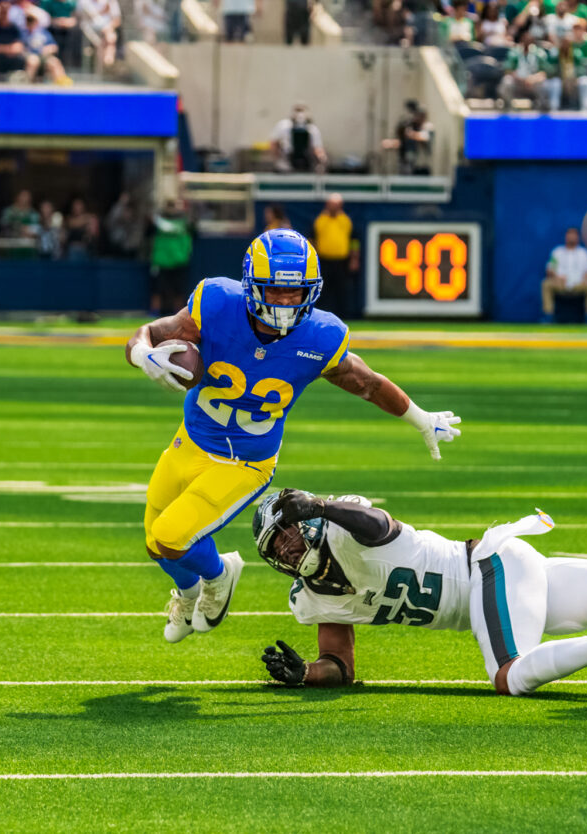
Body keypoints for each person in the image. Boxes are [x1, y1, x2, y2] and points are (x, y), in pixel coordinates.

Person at [125, 229, 462, 644]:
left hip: (245, 461)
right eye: (275, 291)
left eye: (296, 292)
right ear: (251, 286)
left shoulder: (321, 336)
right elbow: (150, 332)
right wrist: (143, 355)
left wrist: (421, 418)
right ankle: (191, 591)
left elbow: (368, 383)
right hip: (191, 440)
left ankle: (219, 576)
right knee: (153, 542)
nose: (286, 302)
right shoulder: (214, 302)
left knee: (170, 536)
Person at [254, 490, 587, 692]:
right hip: (506, 577)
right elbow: (341, 666)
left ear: (306, 521)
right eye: (277, 546)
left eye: (288, 533)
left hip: (487, 569)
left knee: (510, 676)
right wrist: (308, 672)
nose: (288, 547)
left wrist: (323, 507)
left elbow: (379, 524)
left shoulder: (346, 528)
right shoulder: (310, 598)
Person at [311, 193, 358, 320]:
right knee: (322, 291)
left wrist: (354, 259)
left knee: (342, 291)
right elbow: (312, 240)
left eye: (336, 205)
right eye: (331, 204)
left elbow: (354, 241)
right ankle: (318, 315)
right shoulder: (320, 220)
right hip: (324, 261)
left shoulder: (345, 221)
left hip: (341, 262)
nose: (333, 207)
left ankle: (344, 317)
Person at [541, 226, 587, 323]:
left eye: (574, 235)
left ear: (578, 238)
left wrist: (586, 279)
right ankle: (548, 316)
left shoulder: (583, 253)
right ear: (566, 237)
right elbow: (549, 269)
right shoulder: (557, 252)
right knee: (546, 284)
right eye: (569, 235)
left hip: (578, 284)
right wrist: (557, 277)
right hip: (560, 284)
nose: (572, 237)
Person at [147, 198, 193, 315]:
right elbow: (147, 234)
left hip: (179, 260)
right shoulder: (157, 222)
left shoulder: (185, 222)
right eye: (170, 206)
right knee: (157, 289)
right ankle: (154, 313)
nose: (172, 210)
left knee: (179, 290)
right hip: (161, 261)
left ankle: (179, 314)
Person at [500, 28, 551, 110]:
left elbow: (545, 72)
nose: (527, 41)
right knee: (507, 81)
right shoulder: (514, 52)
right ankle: (509, 107)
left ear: (533, 41)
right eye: (525, 39)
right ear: (521, 40)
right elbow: (508, 70)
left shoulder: (539, 53)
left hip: (533, 82)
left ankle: (542, 107)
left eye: (529, 39)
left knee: (545, 84)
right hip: (518, 81)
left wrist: (533, 78)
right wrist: (520, 78)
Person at [269, 103, 327, 174]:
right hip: (285, 166)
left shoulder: (312, 129)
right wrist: (277, 159)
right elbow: (273, 144)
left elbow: (318, 149)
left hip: (306, 165)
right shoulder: (283, 125)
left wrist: (322, 160)